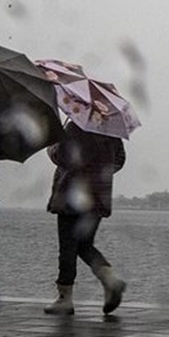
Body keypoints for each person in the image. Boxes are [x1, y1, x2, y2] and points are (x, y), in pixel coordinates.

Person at [44, 120, 126, 315]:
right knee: (84, 244)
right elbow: (120, 160)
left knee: (68, 246)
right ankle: (110, 280)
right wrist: (98, 170)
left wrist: (52, 147)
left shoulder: (74, 127)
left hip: (72, 196)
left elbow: (63, 156)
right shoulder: (110, 130)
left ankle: (65, 299)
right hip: (98, 197)